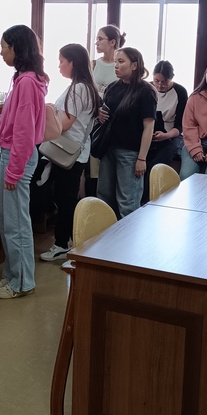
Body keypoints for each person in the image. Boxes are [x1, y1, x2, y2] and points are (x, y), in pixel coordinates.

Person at [0, 24, 48, 299]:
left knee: (16, 223)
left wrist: (13, 171)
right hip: (13, 154)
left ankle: (22, 282)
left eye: (4, 47)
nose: (1, 52)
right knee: (8, 220)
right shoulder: (24, 78)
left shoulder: (26, 82)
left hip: (18, 157)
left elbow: (24, 132)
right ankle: (12, 274)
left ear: (16, 48)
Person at [39, 43, 99, 262]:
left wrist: (49, 112)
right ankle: (67, 241)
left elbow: (65, 124)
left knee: (65, 199)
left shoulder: (79, 88)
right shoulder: (84, 86)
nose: (59, 66)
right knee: (66, 197)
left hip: (68, 151)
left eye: (62, 61)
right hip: (74, 151)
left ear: (72, 63)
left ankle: (62, 244)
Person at [96, 47, 156, 217]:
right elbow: (106, 114)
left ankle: (130, 235)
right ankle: (106, 234)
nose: (116, 65)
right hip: (108, 149)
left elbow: (149, 127)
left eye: (121, 62)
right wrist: (99, 114)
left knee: (128, 202)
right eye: (116, 61)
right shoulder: (113, 87)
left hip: (131, 153)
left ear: (134, 65)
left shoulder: (145, 91)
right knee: (104, 197)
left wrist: (142, 158)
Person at [87, 24, 126, 196]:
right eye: (96, 39)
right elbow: (87, 92)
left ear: (112, 42)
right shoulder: (93, 64)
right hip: (96, 122)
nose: (96, 42)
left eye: (100, 39)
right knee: (95, 171)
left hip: (116, 123)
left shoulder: (122, 65)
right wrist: (96, 110)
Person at [143, 60, 187, 202]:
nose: (160, 85)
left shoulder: (180, 92)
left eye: (164, 82)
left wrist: (166, 135)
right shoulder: (147, 88)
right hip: (148, 132)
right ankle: (140, 199)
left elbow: (180, 126)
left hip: (171, 134)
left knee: (160, 159)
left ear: (171, 78)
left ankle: (151, 199)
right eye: (156, 81)